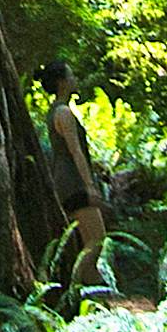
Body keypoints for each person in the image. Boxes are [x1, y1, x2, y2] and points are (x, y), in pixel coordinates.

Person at [38, 61, 110, 297]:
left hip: (66, 183)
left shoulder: (56, 111)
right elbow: (75, 151)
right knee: (97, 241)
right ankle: (78, 291)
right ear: (61, 82)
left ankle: (93, 293)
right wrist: (90, 186)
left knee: (88, 244)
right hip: (74, 185)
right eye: (71, 75)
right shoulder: (63, 113)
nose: (75, 79)